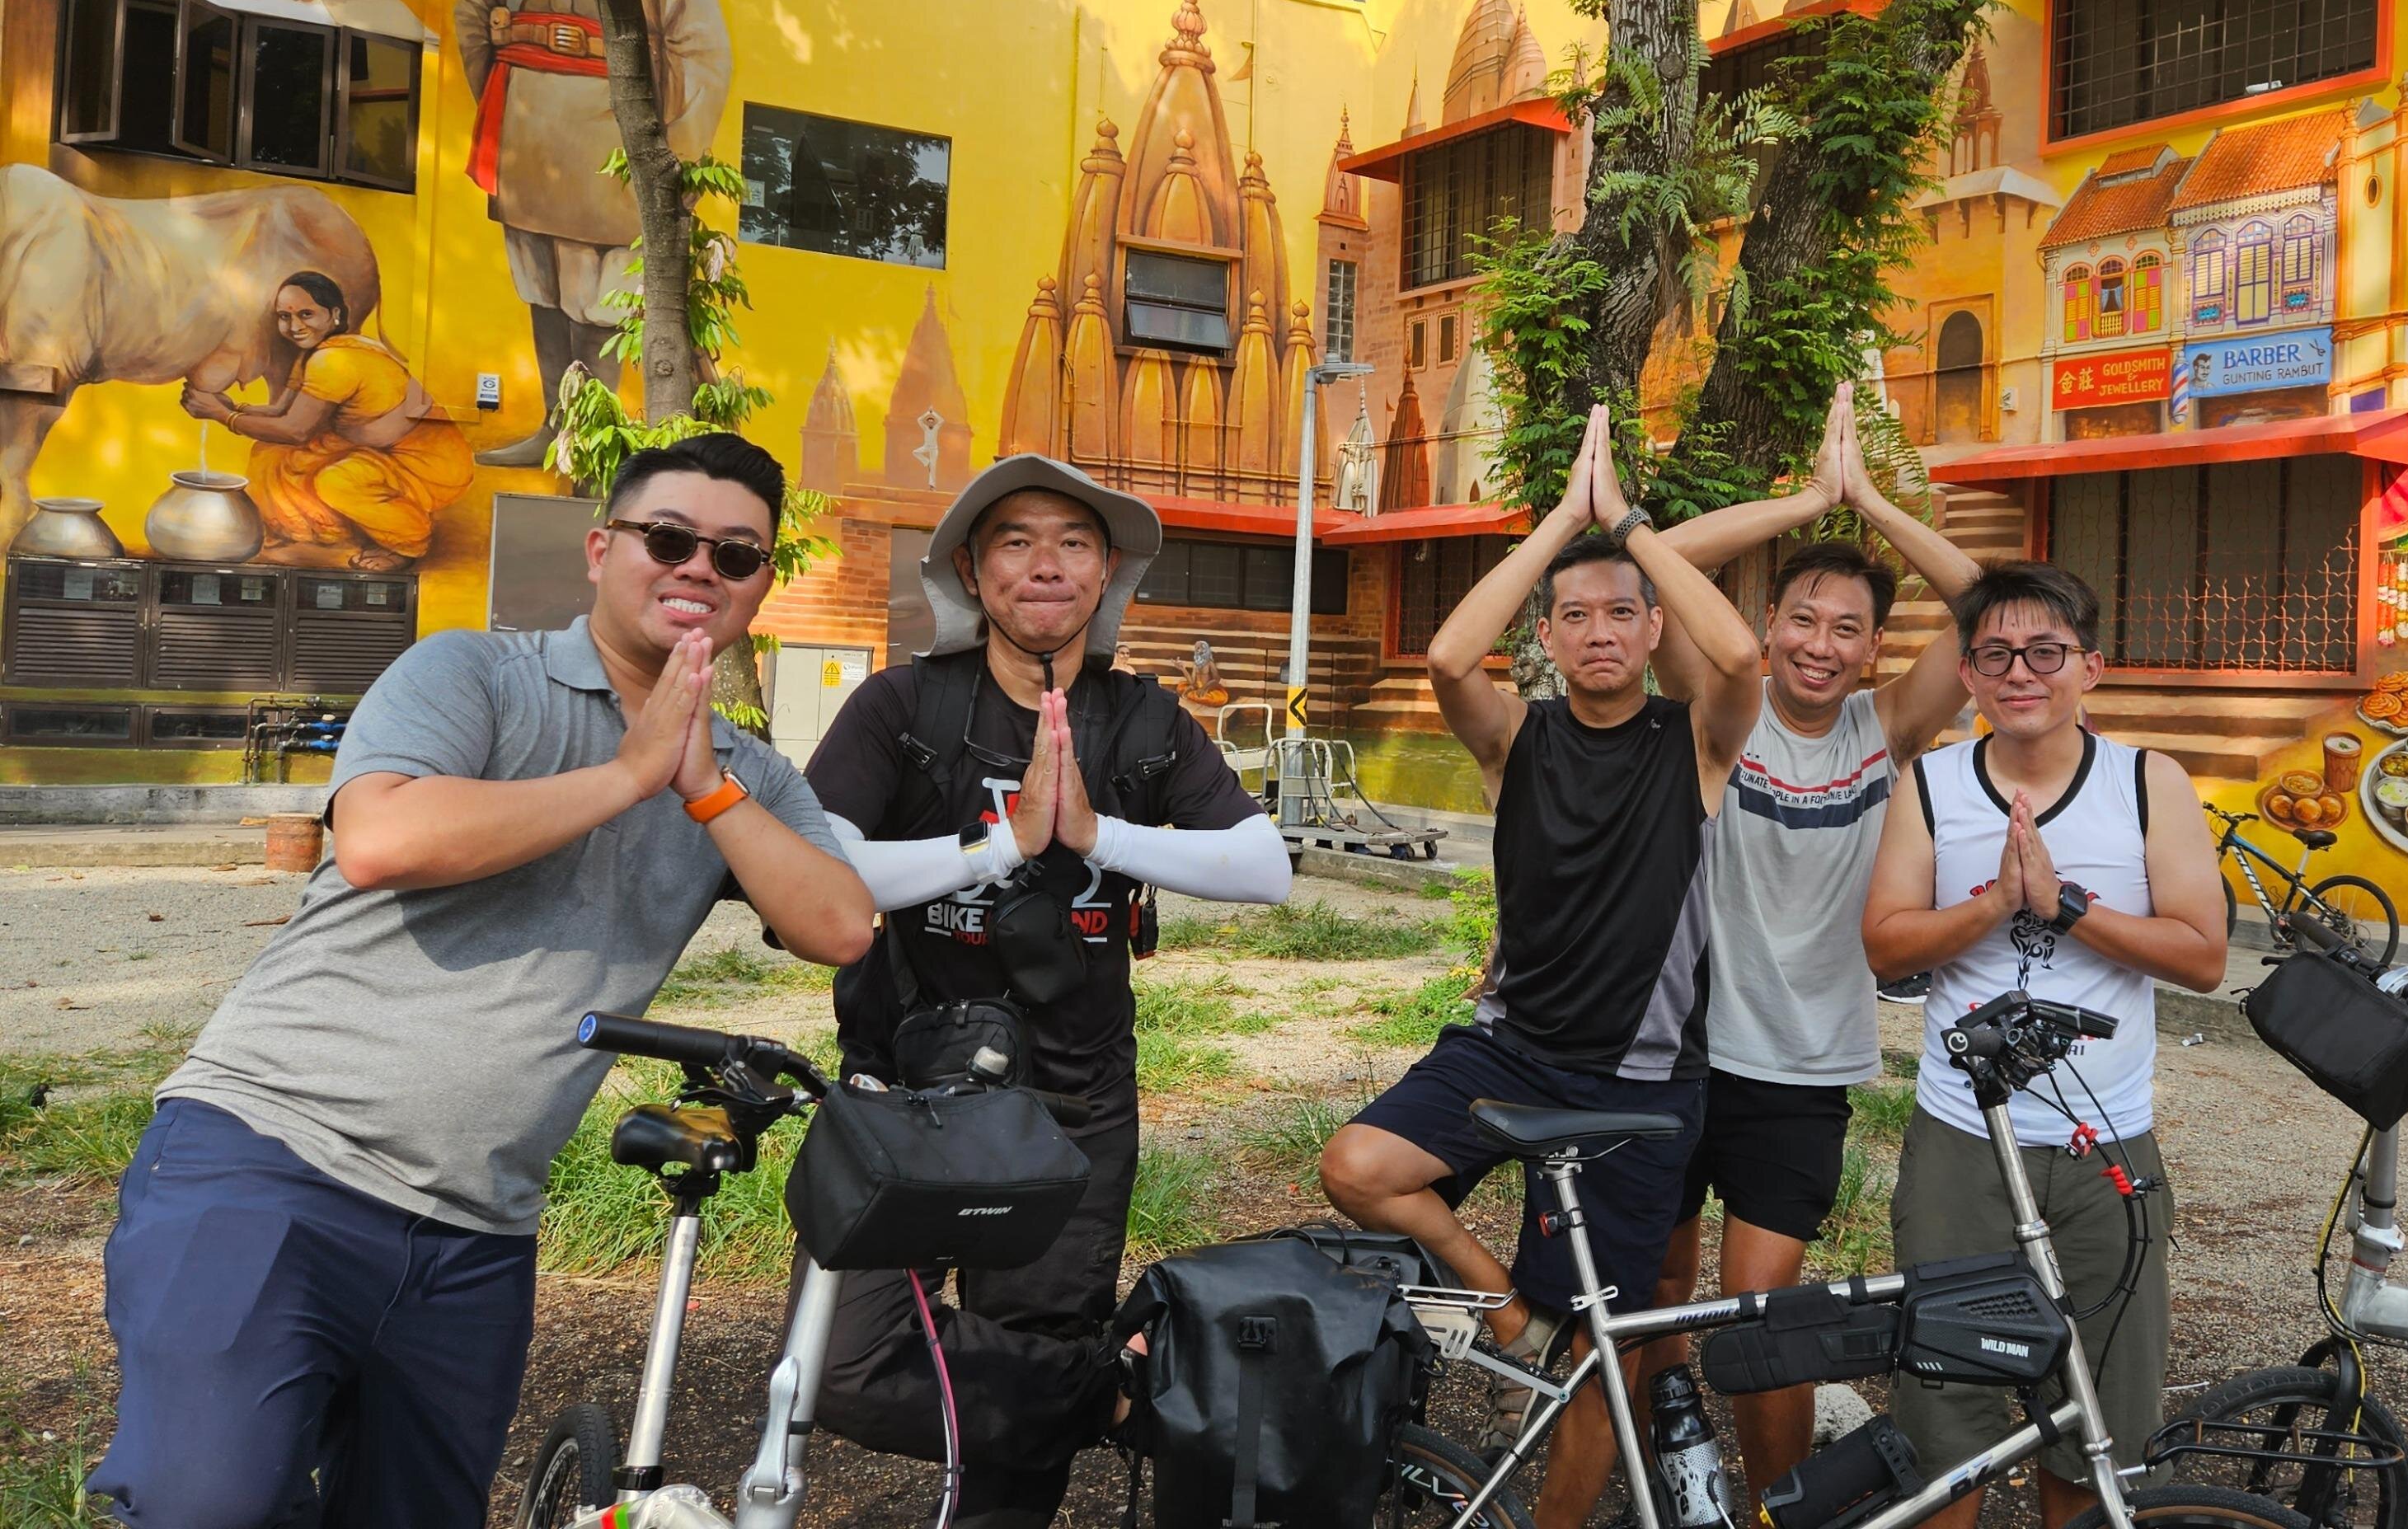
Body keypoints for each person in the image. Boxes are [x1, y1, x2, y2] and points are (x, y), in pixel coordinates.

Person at [84, 433, 873, 1526]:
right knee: (209, 1502)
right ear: (601, 550)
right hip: (273, 1163)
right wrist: (627, 774)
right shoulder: (473, 674)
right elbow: (381, 839)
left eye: (734, 555)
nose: (700, 566)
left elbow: (841, 926)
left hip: (477, 1234)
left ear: (759, 585)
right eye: (668, 538)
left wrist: (703, 788)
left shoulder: (747, 775)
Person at [803, 454, 1293, 1529]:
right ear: (971, 572)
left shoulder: (1144, 722)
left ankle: (1057, 1414)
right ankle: (1120, 1393)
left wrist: (1093, 833)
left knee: (1022, 1400)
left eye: (1073, 543)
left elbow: (1266, 867)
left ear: (1106, 571)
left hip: (1074, 1101)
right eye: (1016, 542)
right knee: (840, 1365)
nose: (1046, 565)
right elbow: (815, 870)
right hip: (906, 1095)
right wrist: (1002, 844)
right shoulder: (903, 707)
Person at [1320, 406, 1763, 1529]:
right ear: (1549, 639)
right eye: (1575, 615)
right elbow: (1445, 656)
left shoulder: (1697, 742)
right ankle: (1512, 1316)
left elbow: (1739, 655)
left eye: (1622, 613)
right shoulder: (1516, 739)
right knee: (1359, 1167)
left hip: (1636, 1085)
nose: (1599, 631)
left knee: (1604, 1356)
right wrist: (1565, 518)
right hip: (1508, 1052)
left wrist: (1630, 524)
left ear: (1653, 627)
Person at [1639, 382, 1981, 1503]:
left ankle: (1775, 1511)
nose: (1819, 645)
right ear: (1767, 626)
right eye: (1801, 619)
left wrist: (1871, 504)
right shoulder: (1720, 711)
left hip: (1803, 1066)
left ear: (1877, 649)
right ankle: (1678, 1470)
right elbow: (1657, 562)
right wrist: (1801, 504)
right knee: (1661, 1294)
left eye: (1846, 629)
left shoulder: (1887, 731)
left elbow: (1984, 608)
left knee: (1765, 1319)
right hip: (1684, 1051)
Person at [1860, 560, 2227, 1528]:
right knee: (1946, 1414)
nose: (2020, 672)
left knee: (2099, 1416)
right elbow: (1885, 944)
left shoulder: (2148, 783)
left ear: (2090, 667)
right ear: (1968, 676)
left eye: (2046, 652)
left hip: (2106, 1145)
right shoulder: (1933, 784)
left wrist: (2064, 906)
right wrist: (1994, 904)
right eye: (1996, 655)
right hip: (1962, 1143)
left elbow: (2203, 955)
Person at [453, 0, 732, 468]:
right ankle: (555, 429)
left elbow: (702, 63)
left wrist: (671, 166)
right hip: (528, 152)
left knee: (600, 304)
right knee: (542, 289)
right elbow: (474, 15)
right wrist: (508, 107)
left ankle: (590, 448)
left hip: (612, 159)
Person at [183, 270, 475, 569]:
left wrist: (221, 415)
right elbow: (283, 411)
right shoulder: (317, 354)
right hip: (377, 449)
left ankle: (408, 542)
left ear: (334, 314)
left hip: (429, 465)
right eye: (284, 316)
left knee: (336, 482)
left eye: (306, 314)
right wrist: (234, 407)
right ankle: (325, 529)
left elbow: (295, 431)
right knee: (270, 454)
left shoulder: (334, 361)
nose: (294, 326)